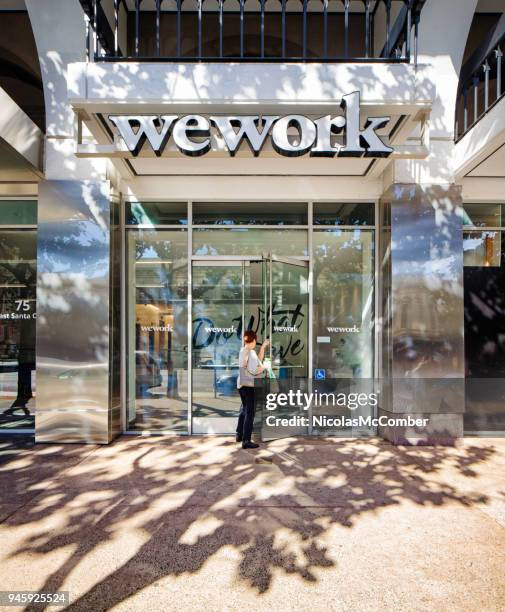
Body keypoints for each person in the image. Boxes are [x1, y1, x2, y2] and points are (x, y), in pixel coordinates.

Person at [236, 330, 269, 449]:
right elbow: (254, 370)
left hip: (241, 385)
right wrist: (265, 367)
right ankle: (246, 441)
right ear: (254, 340)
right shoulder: (248, 352)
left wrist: (263, 347)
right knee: (250, 413)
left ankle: (239, 434)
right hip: (248, 386)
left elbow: (257, 361)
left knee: (244, 409)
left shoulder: (245, 350)